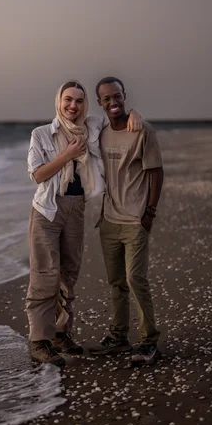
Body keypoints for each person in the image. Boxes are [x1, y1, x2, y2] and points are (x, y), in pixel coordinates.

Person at [25, 80, 141, 366]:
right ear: (59, 101)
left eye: (78, 101)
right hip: (47, 210)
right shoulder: (42, 134)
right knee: (45, 273)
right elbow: (37, 175)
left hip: (76, 208)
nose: (72, 106)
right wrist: (67, 155)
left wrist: (133, 114)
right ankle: (39, 341)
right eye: (68, 100)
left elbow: (115, 114)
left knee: (69, 273)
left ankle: (60, 335)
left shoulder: (91, 126)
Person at [90, 76, 164, 366]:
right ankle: (119, 336)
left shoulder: (143, 131)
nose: (113, 102)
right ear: (100, 103)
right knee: (116, 282)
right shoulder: (98, 132)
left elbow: (156, 173)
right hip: (108, 220)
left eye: (117, 96)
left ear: (125, 95)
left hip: (135, 220)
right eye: (106, 98)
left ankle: (148, 342)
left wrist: (150, 213)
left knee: (136, 279)